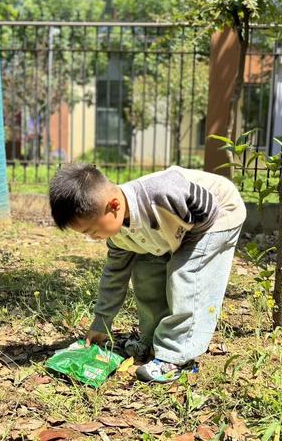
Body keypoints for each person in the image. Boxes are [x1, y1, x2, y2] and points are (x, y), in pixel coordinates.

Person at [48, 163, 246, 383]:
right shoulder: (118, 234)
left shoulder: (163, 193)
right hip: (171, 229)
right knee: (145, 274)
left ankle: (177, 356)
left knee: (185, 277)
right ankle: (152, 340)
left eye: (92, 230)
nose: (92, 237)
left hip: (215, 215)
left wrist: (182, 251)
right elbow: (114, 275)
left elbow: (207, 207)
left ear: (113, 206)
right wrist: (101, 322)